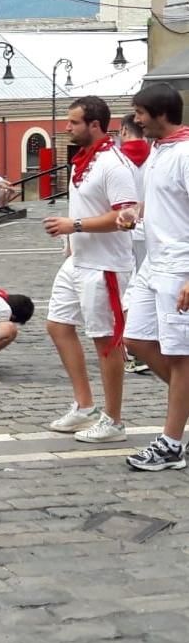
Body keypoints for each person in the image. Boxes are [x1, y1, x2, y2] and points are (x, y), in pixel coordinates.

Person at [43, 96, 137, 444]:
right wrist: (71, 239)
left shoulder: (114, 165)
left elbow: (127, 217)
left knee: (106, 341)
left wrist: (75, 225)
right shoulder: (83, 160)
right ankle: (85, 405)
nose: (67, 127)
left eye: (74, 122)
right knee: (57, 324)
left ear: (94, 125)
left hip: (105, 265)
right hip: (78, 261)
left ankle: (113, 419)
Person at [117, 84, 189, 470]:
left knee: (180, 357)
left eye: (140, 113)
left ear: (161, 114)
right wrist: (136, 213)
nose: (136, 120)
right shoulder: (159, 151)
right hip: (154, 263)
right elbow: (164, 199)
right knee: (137, 339)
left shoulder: (186, 154)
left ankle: (172, 444)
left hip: (180, 266)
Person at [119, 114, 152, 375]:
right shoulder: (155, 155)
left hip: (125, 228)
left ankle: (133, 347)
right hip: (150, 229)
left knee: (129, 287)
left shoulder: (119, 158)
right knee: (145, 280)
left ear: (123, 131)